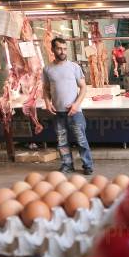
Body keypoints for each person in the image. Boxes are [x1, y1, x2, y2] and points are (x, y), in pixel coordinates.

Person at [43, 37, 94, 175]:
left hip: (75, 112)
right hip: (58, 113)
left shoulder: (74, 67)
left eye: (64, 48)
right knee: (62, 142)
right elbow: (46, 89)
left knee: (81, 141)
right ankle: (67, 164)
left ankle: (87, 165)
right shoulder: (47, 69)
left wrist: (76, 105)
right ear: (52, 49)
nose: (62, 51)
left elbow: (83, 88)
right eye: (59, 48)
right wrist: (48, 102)